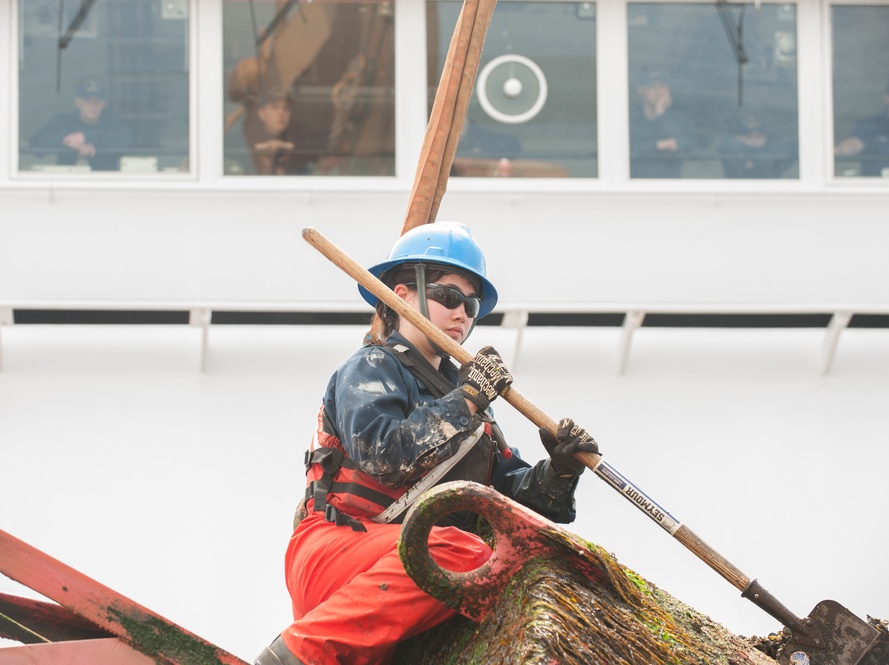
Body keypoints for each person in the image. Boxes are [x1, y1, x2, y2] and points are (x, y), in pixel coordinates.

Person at [255, 222, 601, 665]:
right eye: (449, 297)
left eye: (472, 306)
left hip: (403, 563)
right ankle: (290, 657)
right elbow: (385, 455)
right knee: (463, 553)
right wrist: (469, 399)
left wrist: (561, 470)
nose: (462, 314)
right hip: (336, 546)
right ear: (403, 294)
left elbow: (513, 502)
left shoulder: (471, 409)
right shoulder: (371, 367)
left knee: (502, 560)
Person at [28, 77, 131, 171]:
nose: (92, 106)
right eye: (87, 101)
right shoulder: (63, 122)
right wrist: (66, 141)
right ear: (77, 102)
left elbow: (126, 141)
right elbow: (35, 142)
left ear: (103, 104)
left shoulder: (112, 123)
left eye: (97, 101)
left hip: (103, 185)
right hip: (67, 184)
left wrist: (85, 137)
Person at [834, 72, 889, 176]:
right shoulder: (872, 126)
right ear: (887, 98)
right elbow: (854, 144)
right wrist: (837, 151)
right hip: (877, 189)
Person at [629, 67, 694, 178]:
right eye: (652, 86)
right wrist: (658, 146)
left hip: (669, 186)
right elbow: (629, 149)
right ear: (641, 90)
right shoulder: (632, 118)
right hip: (637, 185)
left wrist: (661, 112)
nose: (658, 91)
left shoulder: (678, 118)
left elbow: (688, 144)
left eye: (662, 86)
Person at [244, 88, 322, 175]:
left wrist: (289, 147)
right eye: (274, 107)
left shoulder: (302, 136)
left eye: (286, 108)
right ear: (262, 114)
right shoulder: (245, 137)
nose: (281, 112)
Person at [719, 114, 797, 179]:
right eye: (749, 137)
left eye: (759, 136)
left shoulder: (775, 150)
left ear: (766, 137)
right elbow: (737, 169)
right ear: (739, 138)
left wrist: (755, 163)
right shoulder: (731, 150)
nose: (754, 140)